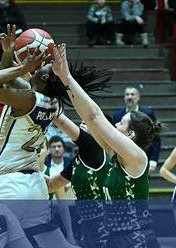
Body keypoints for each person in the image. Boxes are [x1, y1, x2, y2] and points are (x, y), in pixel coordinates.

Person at [0, 24, 110, 247]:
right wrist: (8, 54)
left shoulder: (28, 99)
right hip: (35, 185)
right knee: (54, 243)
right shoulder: (52, 101)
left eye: (42, 70)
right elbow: (9, 81)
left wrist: (20, 67)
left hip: (9, 185)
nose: (38, 68)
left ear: (44, 81)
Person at [51, 43, 161, 248]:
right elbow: (88, 117)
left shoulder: (137, 157)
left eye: (121, 123)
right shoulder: (114, 153)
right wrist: (62, 83)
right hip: (114, 238)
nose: (115, 124)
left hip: (136, 239)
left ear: (130, 134)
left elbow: (94, 117)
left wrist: (67, 77)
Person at [46, 115, 113, 248]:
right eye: (82, 120)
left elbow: (63, 122)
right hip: (86, 224)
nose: (82, 122)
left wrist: (50, 107)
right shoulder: (81, 158)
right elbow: (52, 185)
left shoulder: (94, 148)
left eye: (87, 121)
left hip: (103, 224)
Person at [112, 87, 161, 172]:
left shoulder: (148, 113)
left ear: (138, 97)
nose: (129, 97)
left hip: (143, 155)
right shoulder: (117, 115)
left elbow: (155, 138)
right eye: (127, 94)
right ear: (124, 97)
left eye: (132, 94)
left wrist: (153, 160)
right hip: (123, 154)